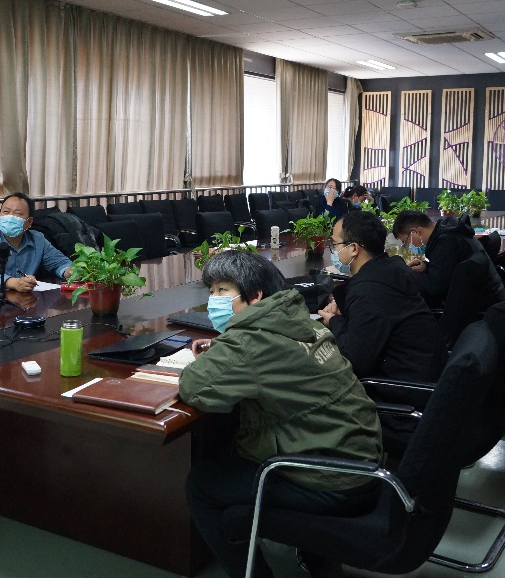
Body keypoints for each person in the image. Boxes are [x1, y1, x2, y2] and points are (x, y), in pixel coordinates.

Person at [179, 251, 382, 578]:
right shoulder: (299, 321)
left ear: (256, 295)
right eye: (211, 291)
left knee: (201, 484)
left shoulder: (251, 341)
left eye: (223, 290)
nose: (213, 299)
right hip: (360, 460)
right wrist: (228, 349)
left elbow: (195, 387)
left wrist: (226, 352)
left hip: (329, 481)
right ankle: (319, 558)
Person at [317, 211, 444, 382]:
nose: (334, 251)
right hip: (423, 369)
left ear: (354, 248)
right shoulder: (389, 272)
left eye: (335, 244)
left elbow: (354, 361)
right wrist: (346, 313)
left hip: (404, 384)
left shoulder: (369, 291)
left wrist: (334, 322)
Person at [0, 191, 73, 293]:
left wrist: (69, 272)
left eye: (18, 213)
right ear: (0, 216)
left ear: (29, 222)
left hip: (17, 299)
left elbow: (59, 262)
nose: (10, 217)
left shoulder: (38, 239)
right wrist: (15, 283)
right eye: (6, 212)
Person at [391, 209, 478, 308]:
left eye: (405, 242)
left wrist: (409, 274)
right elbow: (447, 270)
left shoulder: (446, 243)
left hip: (469, 305)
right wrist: (426, 267)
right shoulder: (448, 231)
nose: (408, 246)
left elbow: (436, 288)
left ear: (415, 232)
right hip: (473, 295)